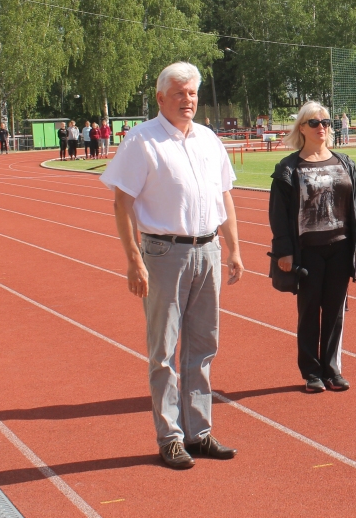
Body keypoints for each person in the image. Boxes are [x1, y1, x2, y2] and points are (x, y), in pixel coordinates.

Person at [101, 61, 244, 470]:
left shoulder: (208, 139)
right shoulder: (142, 140)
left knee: (202, 347)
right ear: (161, 98)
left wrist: (234, 249)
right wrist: (133, 260)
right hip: (164, 253)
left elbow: (225, 197)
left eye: (193, 93)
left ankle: (199, 433)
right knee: (163, 351)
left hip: (208, 251)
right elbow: (122, 202)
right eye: (179, 93)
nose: (188, 100)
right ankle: (170, 437)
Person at [269, 101, 356, 395]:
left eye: (326, 122)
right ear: (301, 127)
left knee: (336, 311)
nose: (322, 127)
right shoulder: (289, 168)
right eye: (314, 122)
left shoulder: (345, 162)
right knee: (310, 310)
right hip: (307, 252)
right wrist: (283, 251)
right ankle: (312, 371)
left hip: (341, 248)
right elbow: (277, 213)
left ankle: (332, 369)